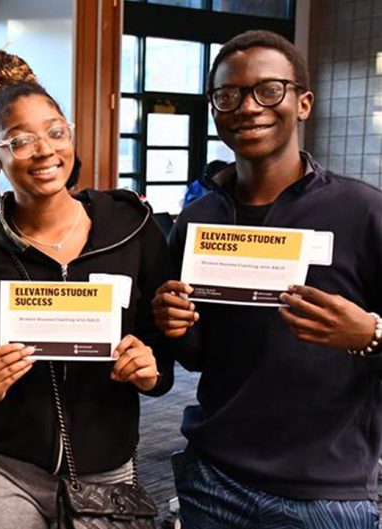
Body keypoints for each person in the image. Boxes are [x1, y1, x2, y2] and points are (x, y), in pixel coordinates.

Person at [152, 30, 382, 528]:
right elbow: (200, 353)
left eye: (269, 90)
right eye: (228, 94)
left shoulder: (362, 211)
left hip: (325, 491)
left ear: (303, 102)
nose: (248, 106)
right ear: (215, 109)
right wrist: (175, 327)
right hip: (214, 479)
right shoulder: (197, 220)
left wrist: (370, 335)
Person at [0, 49, 174, 529]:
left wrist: (151, 372)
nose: (44, 149)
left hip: (107, 470)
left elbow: (167, 347)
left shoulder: (132, 231)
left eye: (55, 131)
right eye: (20, 140)